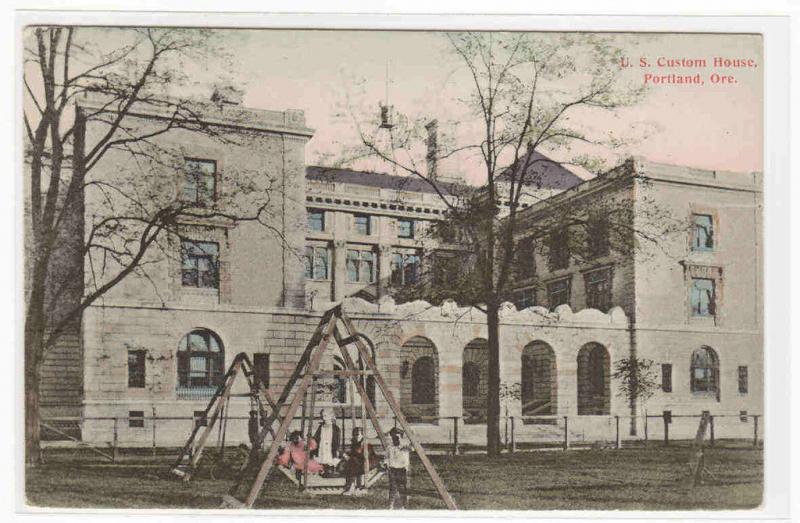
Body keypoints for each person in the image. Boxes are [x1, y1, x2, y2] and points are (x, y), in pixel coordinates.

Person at [341, 427, 378, 495]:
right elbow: (354, 453)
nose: (356, 436)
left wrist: (349, 457)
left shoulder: (365, 443)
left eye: (358, 435)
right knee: (351, 463)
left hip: (369, 462)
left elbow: (364, 455)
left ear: (362, 435)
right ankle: (355, 487)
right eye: (355, 435)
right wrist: (346, 455)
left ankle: (353, 487)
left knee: (352, 463)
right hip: (359, 462)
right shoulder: (355, 443)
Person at [384, 427, 411, 509]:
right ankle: (391, 505)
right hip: (392, 469)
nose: (395, 439)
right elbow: (386, 457)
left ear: (401, 437)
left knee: (402, 487)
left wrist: (404, 446)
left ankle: (403, 505)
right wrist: (386, 464)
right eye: (393, 437)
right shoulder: (389, 447)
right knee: (392, 487)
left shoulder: (405, 447)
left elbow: (413, 448)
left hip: (402, 469)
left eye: (397, 437)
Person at [311, 409, 341, 477]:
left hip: (330, 447)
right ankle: (323, 470)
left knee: (330, 459)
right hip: (322, 446)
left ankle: (330, 471)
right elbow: (316, 437)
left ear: (331, 416)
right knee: (322, 458)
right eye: (322, 416)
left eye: (325, 416)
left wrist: (336, 449)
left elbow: (337, 441)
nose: (323, 418)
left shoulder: (336, 428)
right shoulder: (321, 427)